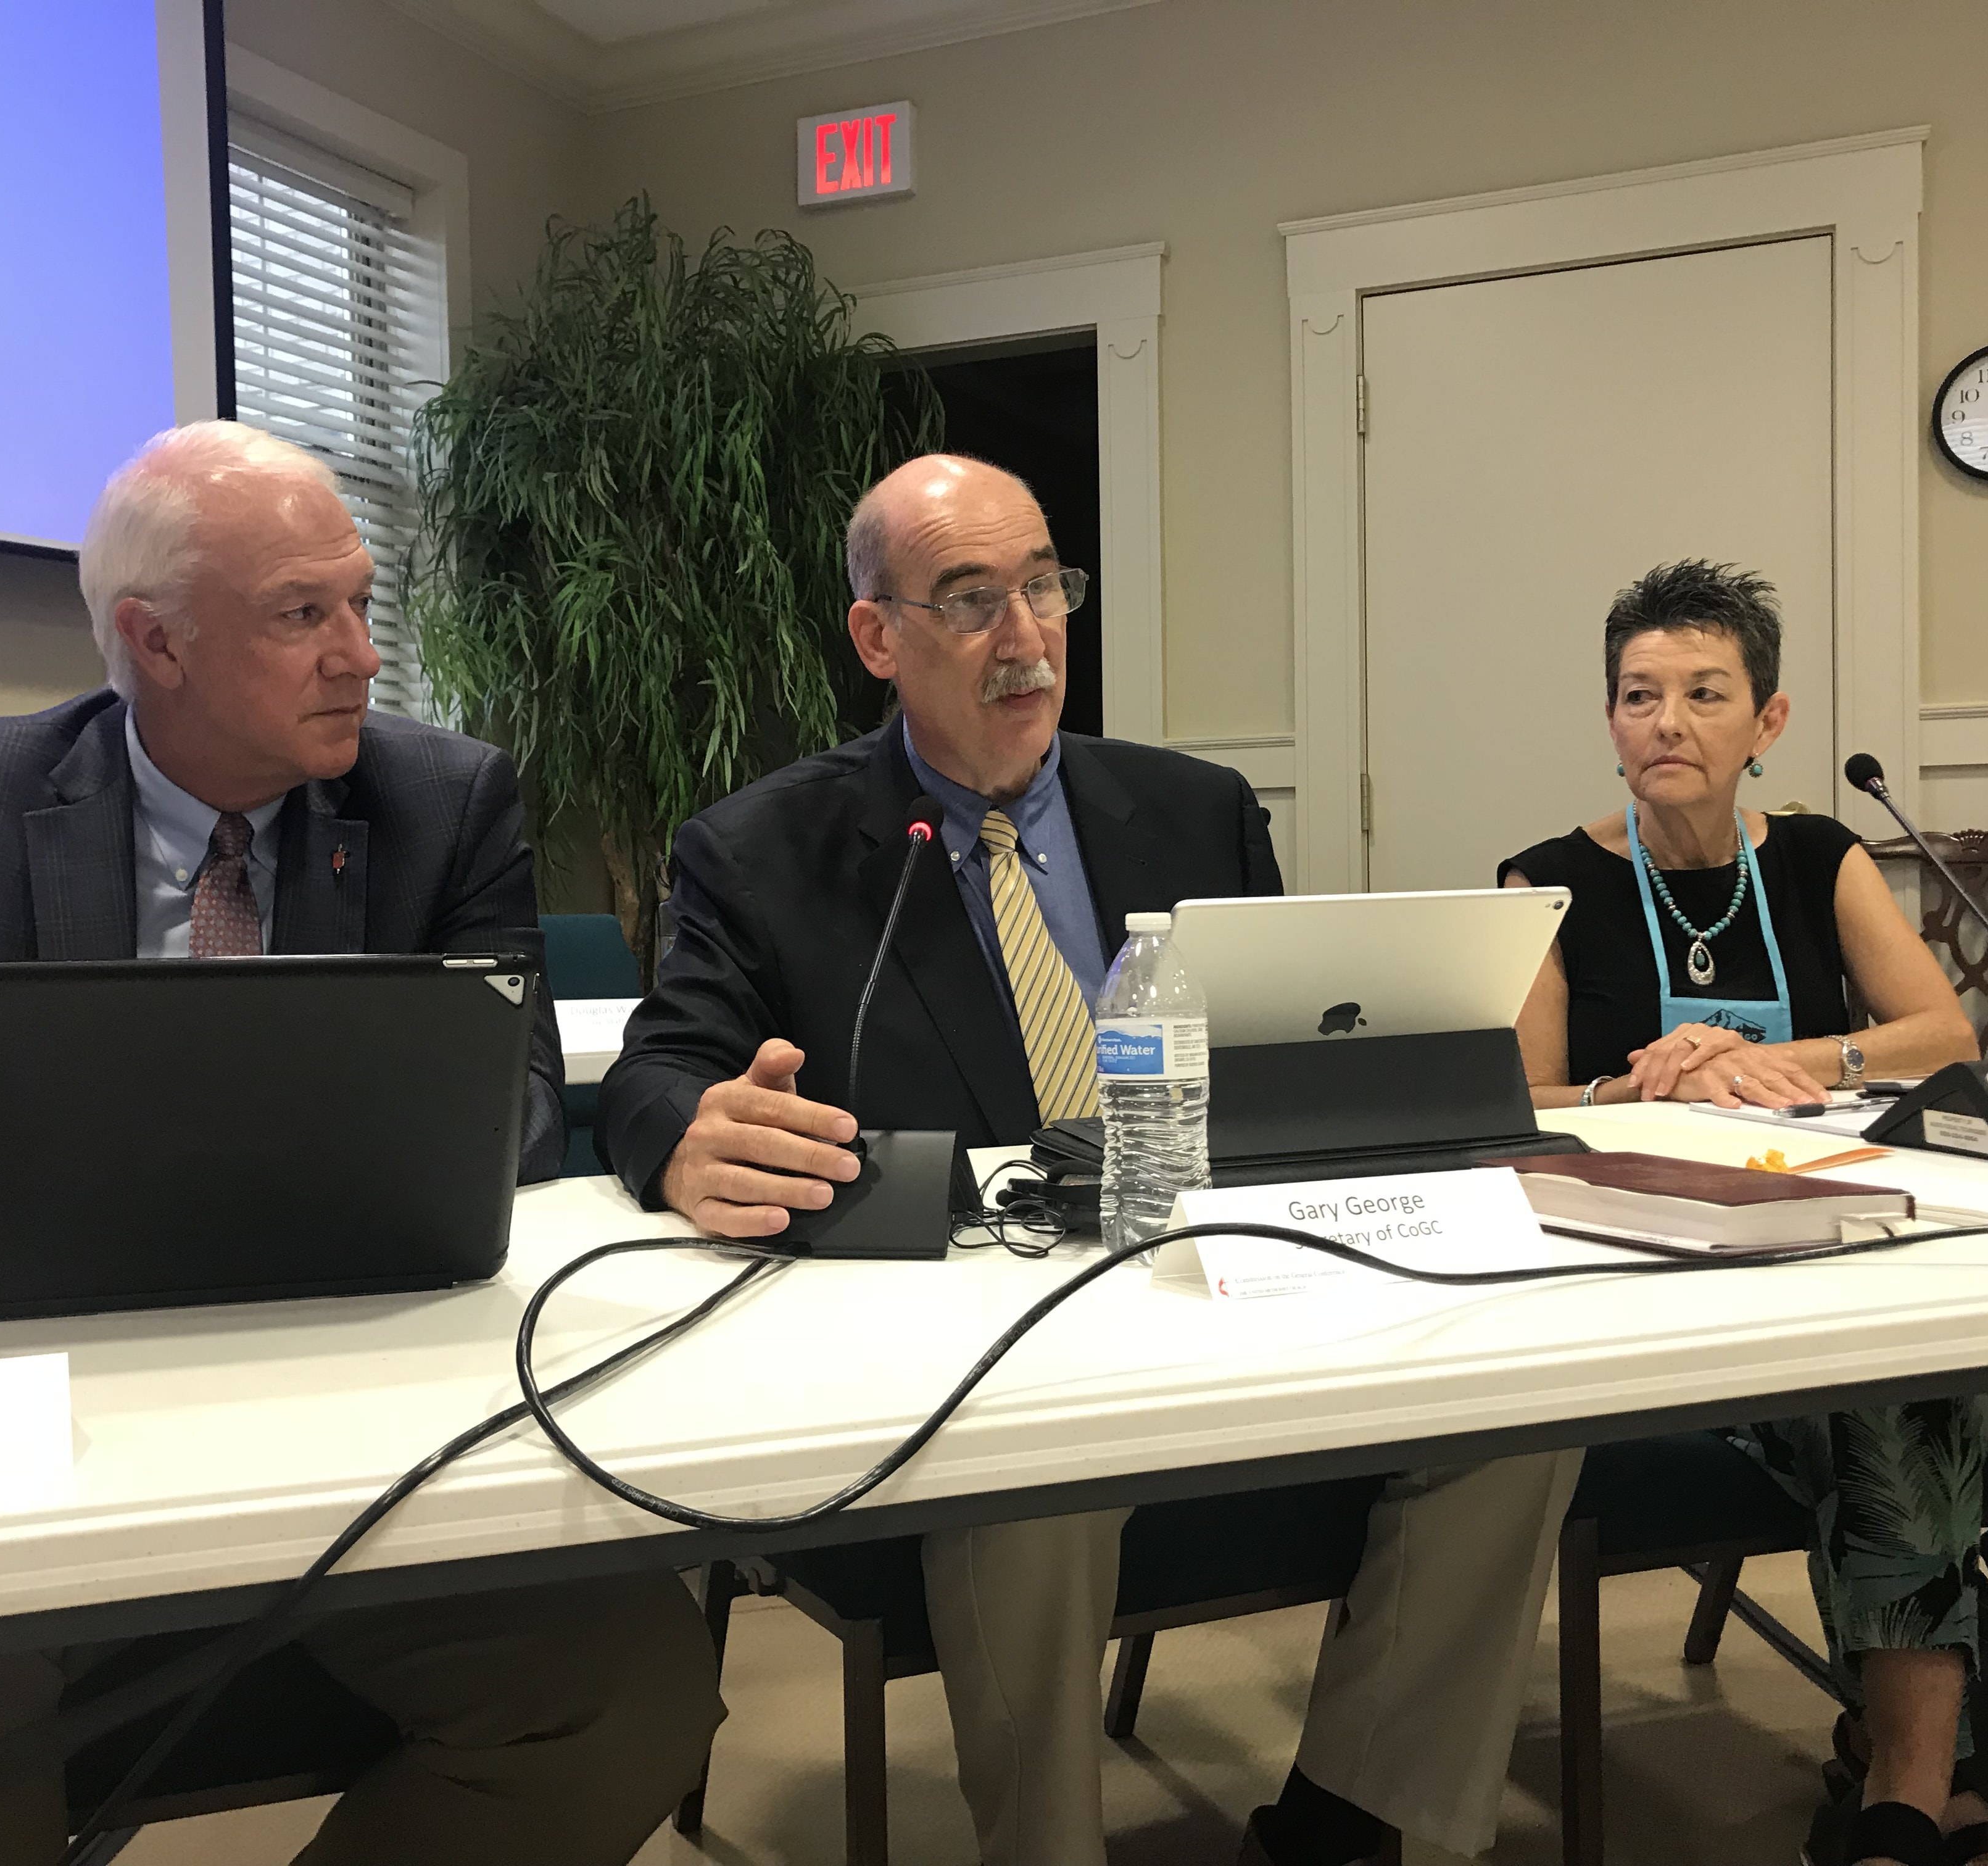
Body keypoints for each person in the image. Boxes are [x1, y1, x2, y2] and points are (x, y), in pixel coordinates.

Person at [0, 421, 721, 1865]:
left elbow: (508, 1112)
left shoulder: (445, 805)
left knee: (627, 1693)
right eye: (305, 614)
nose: (364, 654)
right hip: (26, 1405)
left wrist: (236, 1152)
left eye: (362, 604)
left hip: (354, 1409)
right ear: (157, 643)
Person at [600, 452, 1581, 1866]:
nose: (1027, 636)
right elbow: (657, 1073)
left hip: (1223, 1284)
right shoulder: (764, 851)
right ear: (879, 637)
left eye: (1045, 587)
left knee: (1522, 1406)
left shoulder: (1194, 812)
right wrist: (684, 1135)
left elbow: (1289, 1057)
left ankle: (1355, 1825)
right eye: (970, 600)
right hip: (984, 1335)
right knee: (1040, 1470)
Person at [1499, 560, 1988, 1866]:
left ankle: (1901, 1789)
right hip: (1649, 1274)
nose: (1664, 723)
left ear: (1768, 721)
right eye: (1637, 696)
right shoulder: (1545, 882)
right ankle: (1925, 1781)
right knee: (1907, 1396)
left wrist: (1802, 1061)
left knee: (1915, 1371)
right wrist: (1636, 1081)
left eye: (1702, 693)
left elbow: (1942, 1033)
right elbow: (1520, 1102)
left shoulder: (1814, 857)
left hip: (1821, 1232)